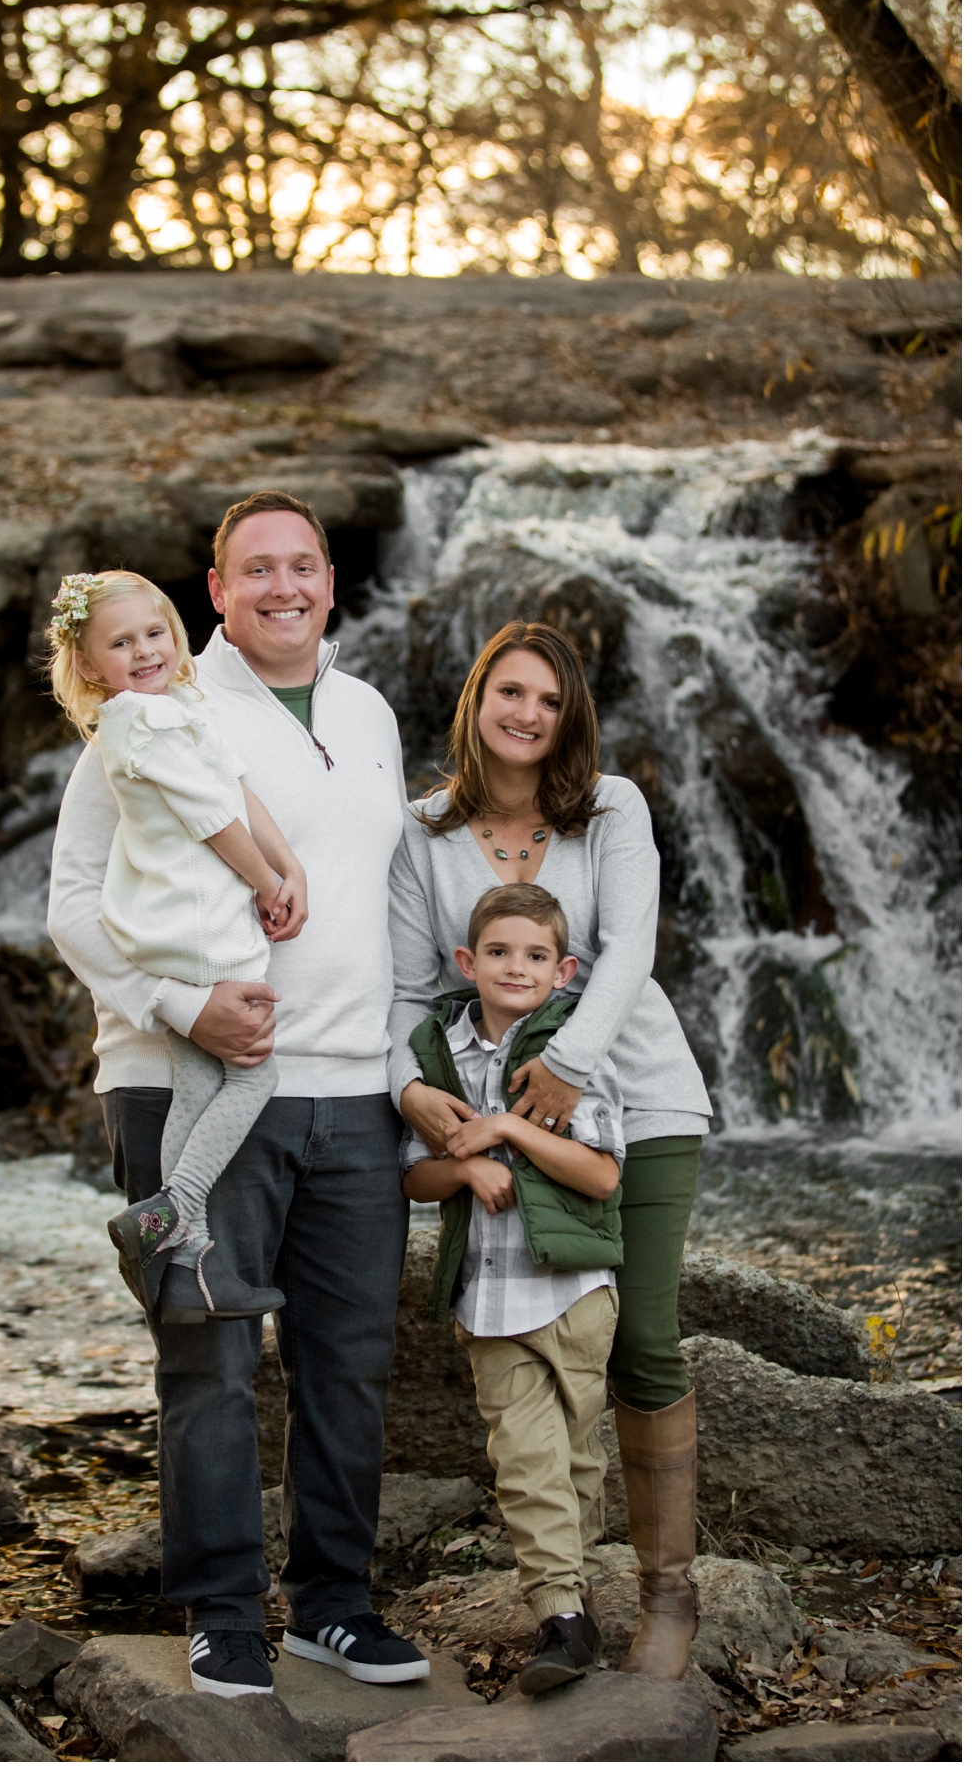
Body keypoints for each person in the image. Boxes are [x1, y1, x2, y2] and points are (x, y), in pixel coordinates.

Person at [49, 492, 427, 1698]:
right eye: (255, 569)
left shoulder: (368, 711)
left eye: (302, 566)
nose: (282, 587)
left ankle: (334, 1604)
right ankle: (222, 1613)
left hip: (356, 1092)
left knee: (349, 1358)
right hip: (190, 1079)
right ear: (212, 590)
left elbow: (390, 899)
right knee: (208, 1358)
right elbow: (66, 899)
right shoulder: (157, 706)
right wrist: (177, 1005)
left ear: (330, 581)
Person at [387, 618, 713, 1680]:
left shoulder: (610, 806)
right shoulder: (422, 830)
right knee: (527, 1349)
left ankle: (670, 1597)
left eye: (549, 699)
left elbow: (630, 947)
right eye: (508, 692)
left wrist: (569, 1063)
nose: (527, 713)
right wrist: (411, 1092)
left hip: (637, 1097)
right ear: (477, 700)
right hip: (484, 1108)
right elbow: (401, 990)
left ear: (569, 716)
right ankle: (566, 1600)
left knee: (644, 1337)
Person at [42, 568, 306, 1319]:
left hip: (182, 932)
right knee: (253, 1078)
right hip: (196, 936)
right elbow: (209, 812)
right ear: (90, 665)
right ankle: (170, 1209)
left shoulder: (179, 708)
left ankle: (180, 1248)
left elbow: (235, 787)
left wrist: (290, 867)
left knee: (199, 1083)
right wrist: (263, 878)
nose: (145, 650)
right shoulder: (138, 721)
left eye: (154, 632)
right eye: (121, 643)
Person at [400, 882, 627, 1693]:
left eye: (535, 956)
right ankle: (560, 1615)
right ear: (467, 962)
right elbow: (413, 1180)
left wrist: (506, 1128)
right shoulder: (436, 1053)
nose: (515, 968)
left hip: (575, 1292)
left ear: (564, 971)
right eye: (498, 952)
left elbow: (602, 1176)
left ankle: (577, 1583)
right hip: (489, 1298)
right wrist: (462, 1168)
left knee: (575, 1459)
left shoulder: (570, 1049)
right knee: (527, 1460)